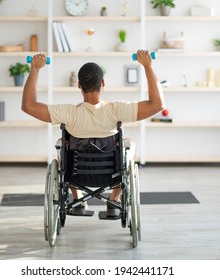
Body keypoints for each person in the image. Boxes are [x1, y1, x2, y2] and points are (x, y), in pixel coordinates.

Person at [22, 49, 164, 216]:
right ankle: (114, 199)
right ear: (103, 83)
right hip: (110, 174)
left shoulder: (68, 113)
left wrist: (35, 69)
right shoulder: (116, 110)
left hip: (77, 174)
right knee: (129, 144)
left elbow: (28, 106)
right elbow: (157, 105)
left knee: (63, 148)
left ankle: (77, 198)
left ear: (79, 86)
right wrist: (148, 66)